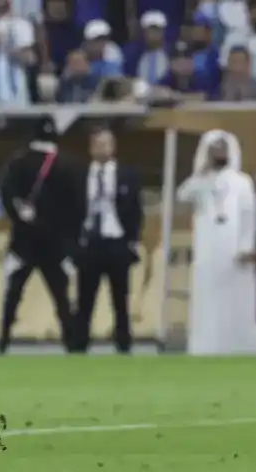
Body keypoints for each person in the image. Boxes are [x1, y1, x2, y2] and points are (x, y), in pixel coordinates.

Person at [176, 130, 256, 356]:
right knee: (209, 297)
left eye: (222, 148)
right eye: (213, 149)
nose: (218, 153)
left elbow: (249, 215)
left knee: (238, 298)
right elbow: (182, 196)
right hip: (208, 248)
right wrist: (199, 174)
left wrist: (247, 246)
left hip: (235, 249)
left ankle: (241, 346)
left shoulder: (242, 182)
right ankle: (207, 345)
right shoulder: (199, 182)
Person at [0, 116, 82, 354]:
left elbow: (6, 195)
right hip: (54, 245)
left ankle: (3, 343)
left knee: (13, 297)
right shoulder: (67, 164)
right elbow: (76, 208)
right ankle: (72, 344)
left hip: (23, 243)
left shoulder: (19, 161)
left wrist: (19, 218)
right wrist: (70, 244)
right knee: (62, 299)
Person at [72, 127, 142, 354]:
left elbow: (136, 210)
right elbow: (70, 210)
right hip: (90, 243)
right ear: (91, 148)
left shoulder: (127, 175)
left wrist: (132, 240)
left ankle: (123, 345)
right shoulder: (81, 175)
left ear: (114, 147)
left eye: (106, 144)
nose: (102, 149)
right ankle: (79, 345)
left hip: (116, 243)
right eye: (98, 144)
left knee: (120, 300)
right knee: (84, 300)